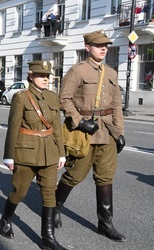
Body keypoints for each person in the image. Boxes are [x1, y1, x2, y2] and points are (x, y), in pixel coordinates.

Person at [54, 30, 126, 242]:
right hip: (83, 134)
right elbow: (64, 99)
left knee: (105, 178)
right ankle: (55, 208)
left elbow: (116, 106)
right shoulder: (78, 71)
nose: (103, 48)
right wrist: (80, 121)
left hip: (107, 133)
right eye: (98, 45)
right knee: (74, 175)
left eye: (106, 45)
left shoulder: (111, 73)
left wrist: (119, 132)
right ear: (88, 47)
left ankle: (105, 224)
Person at [0, 61, 67, 250]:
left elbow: (57, 129)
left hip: (49, 153)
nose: (45, 79)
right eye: (41, 75)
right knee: (19, 191)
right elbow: (13, 127)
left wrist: (62, 153)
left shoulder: (53, 97)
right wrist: (9, 156)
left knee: (49, 194)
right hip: (26, 152)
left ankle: (48, 238)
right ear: (31, 76)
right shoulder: (22, 97)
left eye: (47, 76)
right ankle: (6, 218)